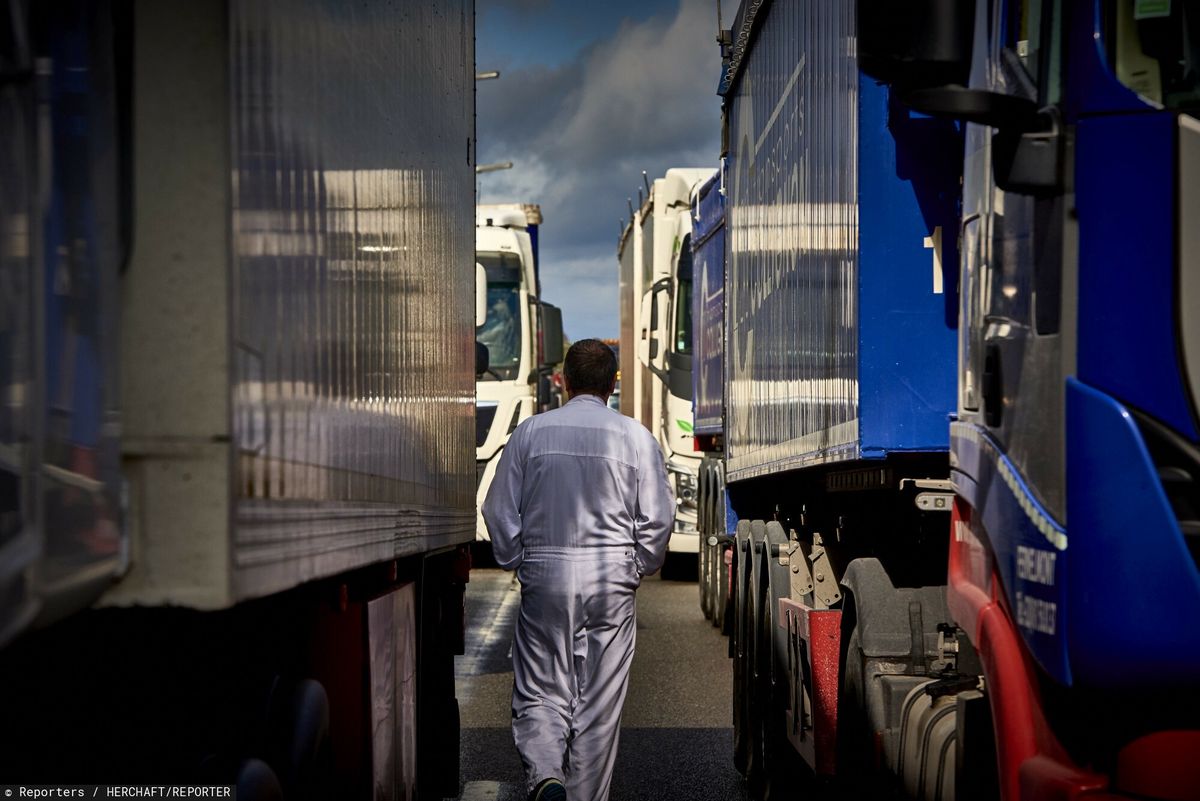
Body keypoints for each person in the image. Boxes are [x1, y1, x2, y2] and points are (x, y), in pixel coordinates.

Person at [482, 339, 675, 801]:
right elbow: (658, 518)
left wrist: (516, 557)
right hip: (611, 577)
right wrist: (640, 566)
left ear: (565, 381)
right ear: (612, 384)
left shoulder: (531, 434)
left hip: (546, 574)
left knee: (541, 689)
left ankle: (547, 775)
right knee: (598, 708)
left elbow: (498, 509)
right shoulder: (635, 437)